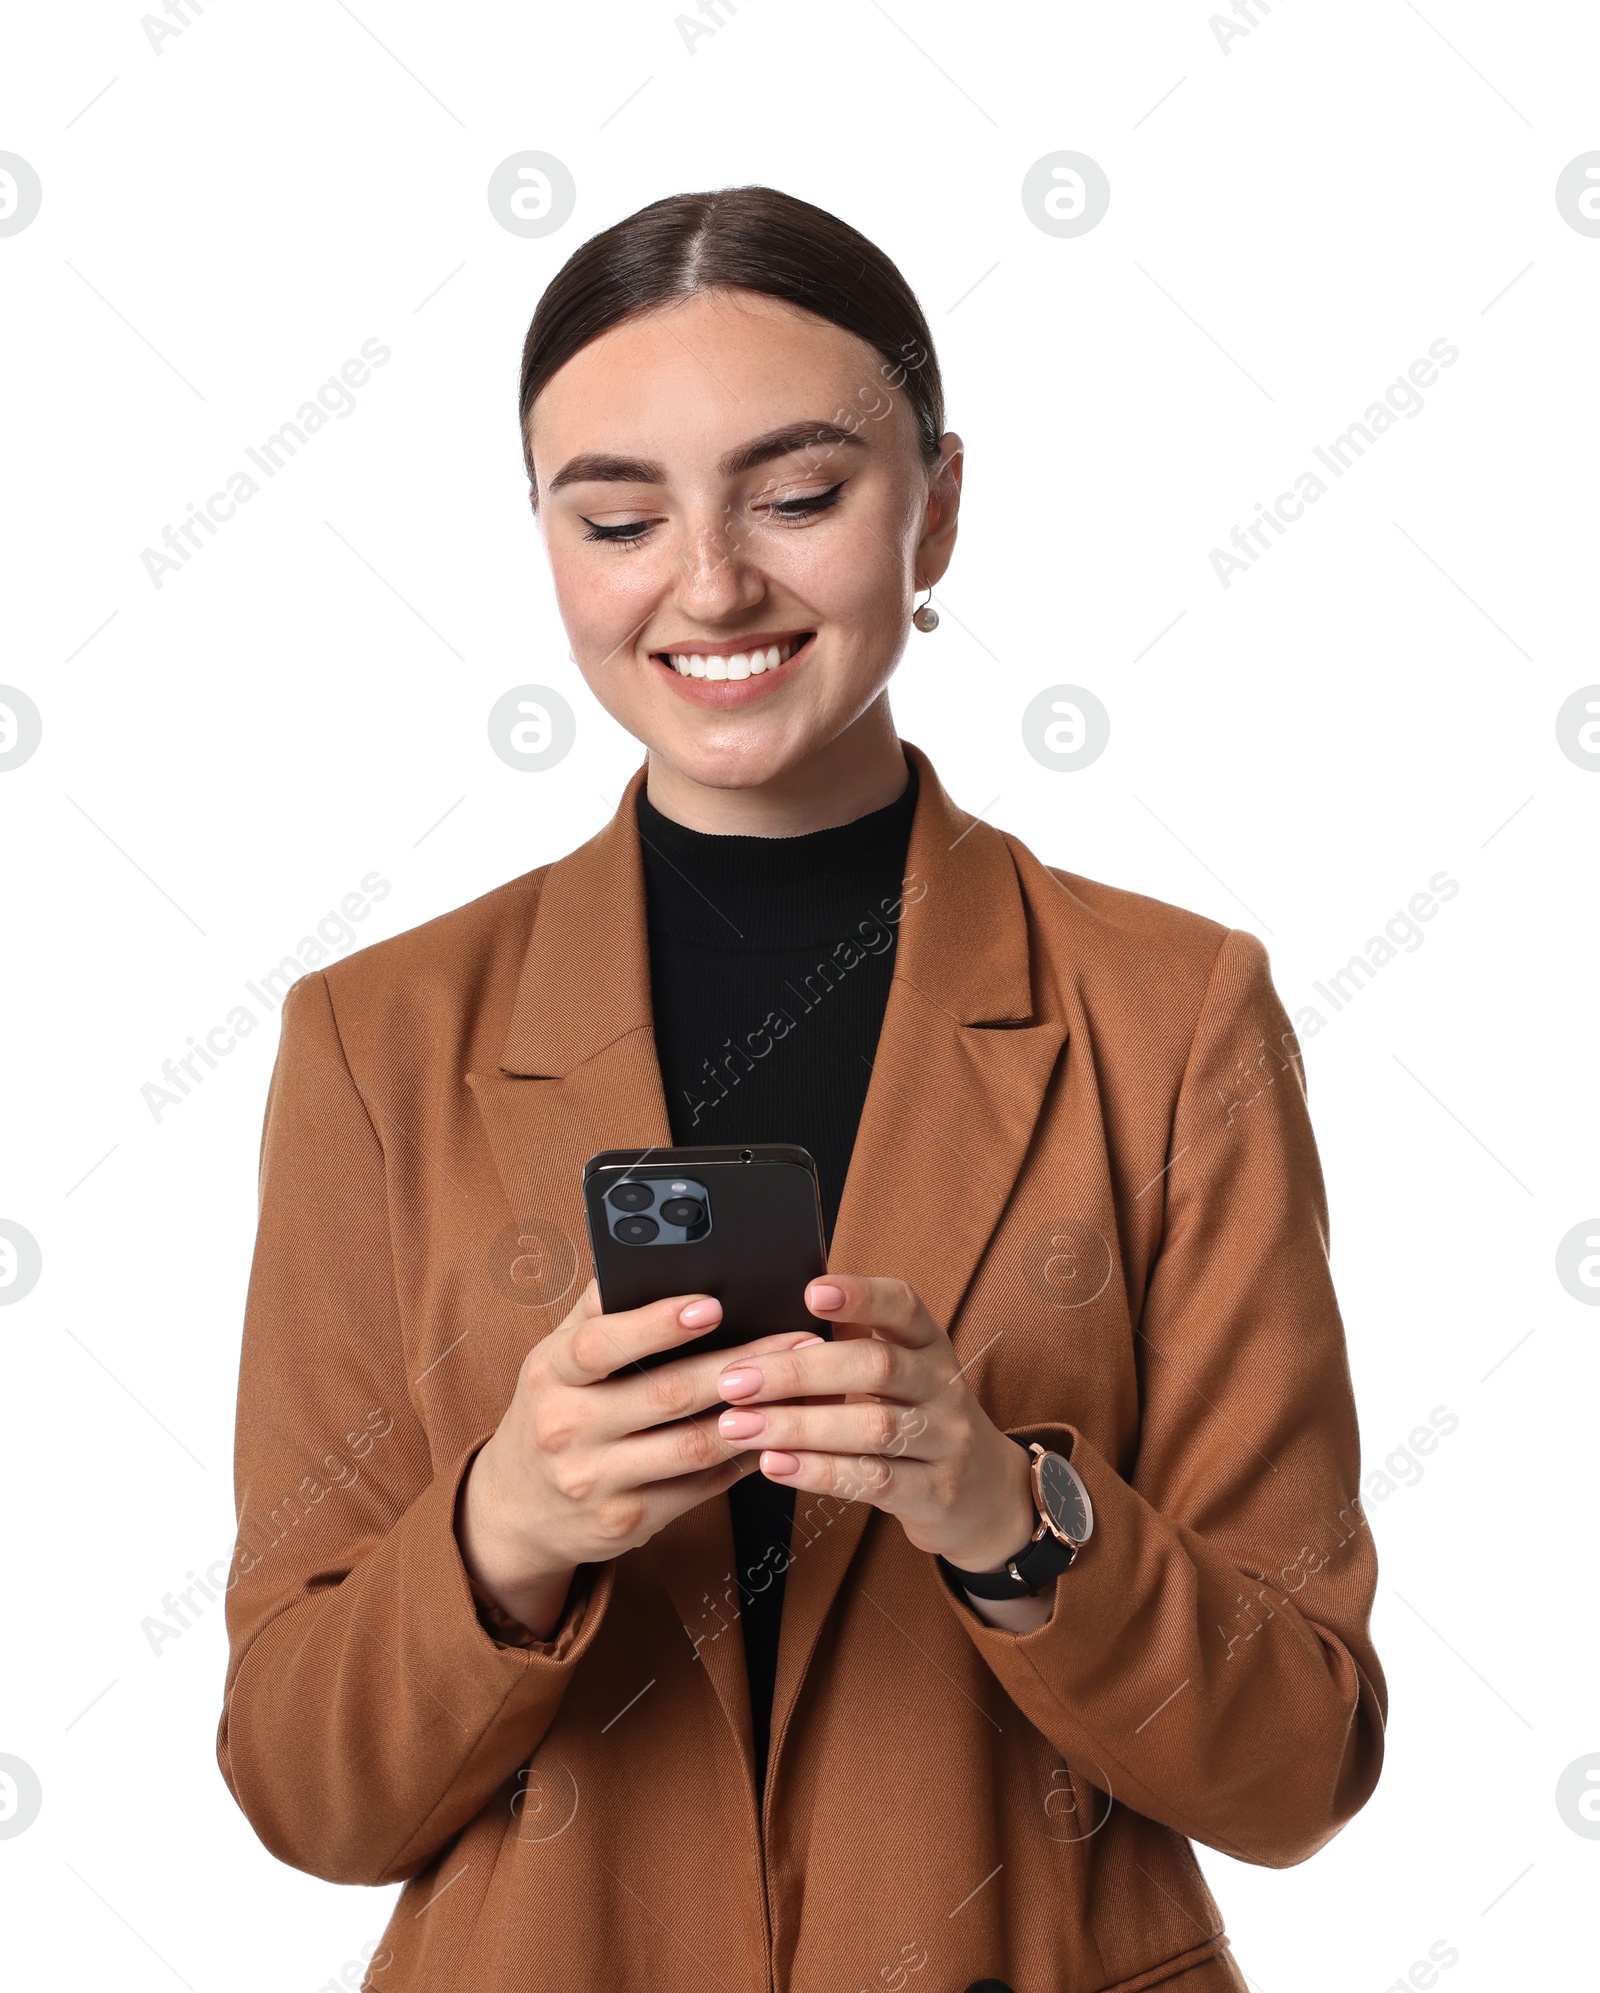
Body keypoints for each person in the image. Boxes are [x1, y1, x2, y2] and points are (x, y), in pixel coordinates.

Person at [217, 186, 1385, 1993]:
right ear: (543, 539)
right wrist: (505, 1524)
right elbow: (301, 1787)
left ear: (940, 503)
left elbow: (1303, 1760)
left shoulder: (1173, 1016)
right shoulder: (377, 1040)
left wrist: (1008, 1509)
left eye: (797, 493)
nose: (709, 583)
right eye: (617, 515)